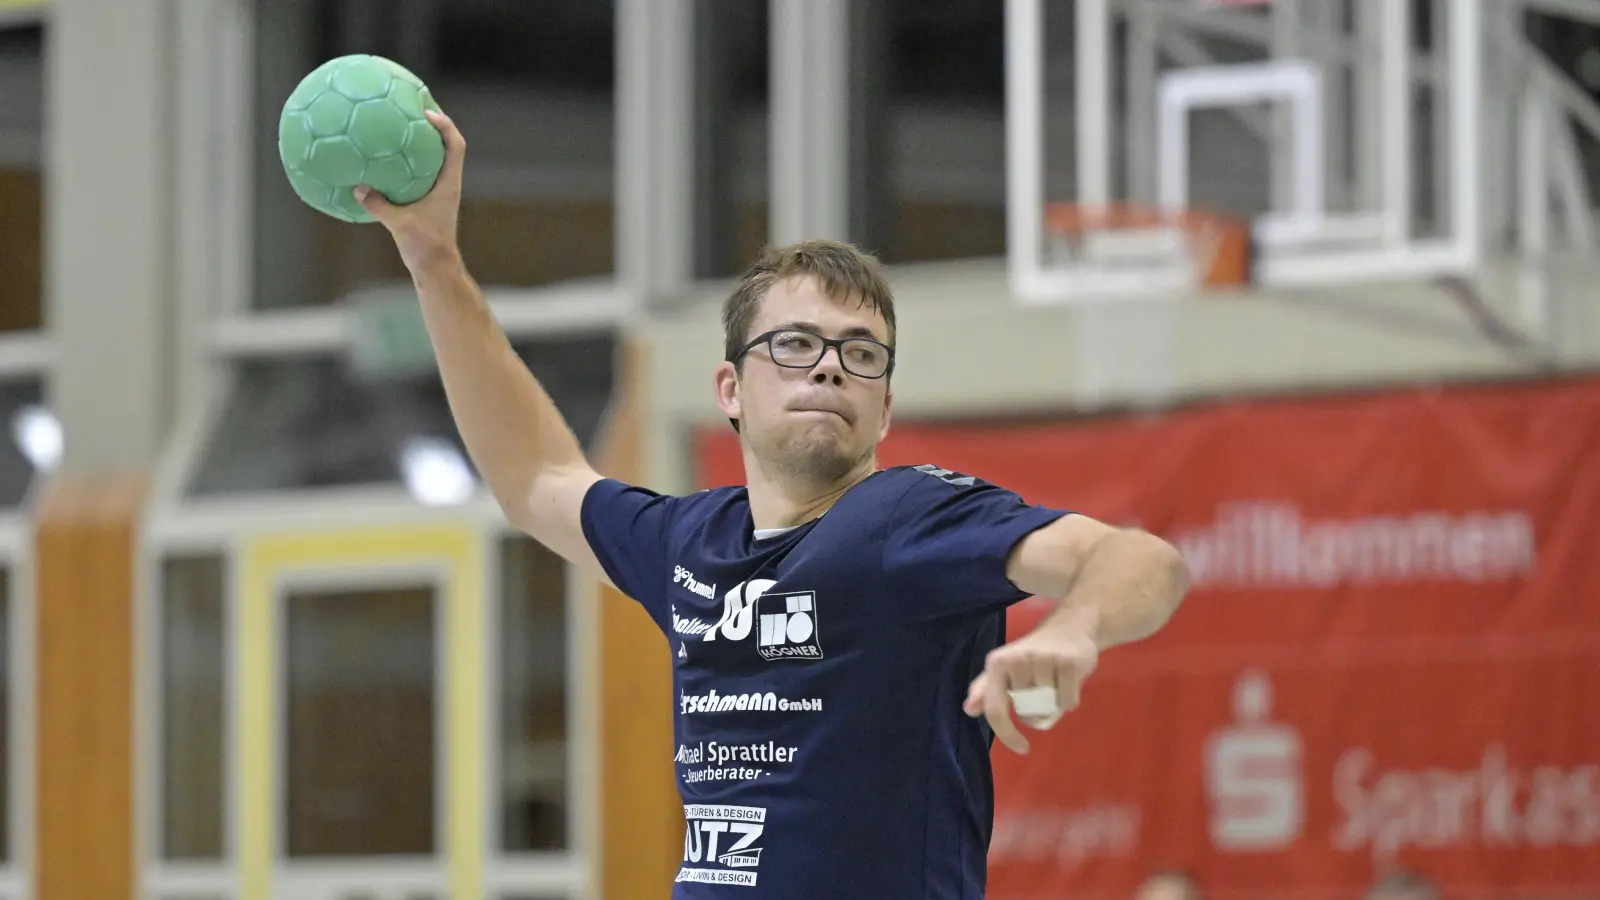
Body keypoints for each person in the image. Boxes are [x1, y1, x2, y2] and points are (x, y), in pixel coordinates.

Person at [355, 111, 1191, 898]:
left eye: (860, 354)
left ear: (885, 409)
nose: (828, 367)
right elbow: (535, 478)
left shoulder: (910, 521)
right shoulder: (691, 542)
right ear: (730, 388)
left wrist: (1076, 628)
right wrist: (434, 259)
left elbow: (1142, 560)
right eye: (794, 345)